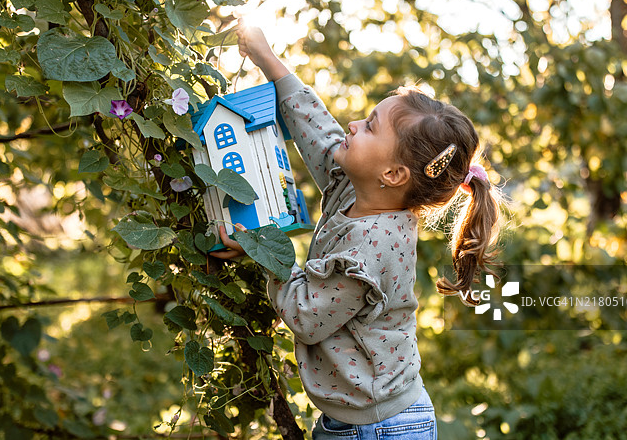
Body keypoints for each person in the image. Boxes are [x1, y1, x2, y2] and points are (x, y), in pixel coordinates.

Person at [214, 26, 503, 440]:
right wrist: (268, 59)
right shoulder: (358, 189)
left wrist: (261, 247)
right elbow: (318, 133)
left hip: (382, 428)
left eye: (368, 126)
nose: (351, 125)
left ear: (393, 174)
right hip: (362, 420)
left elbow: (305, 315)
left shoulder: (372, 244)